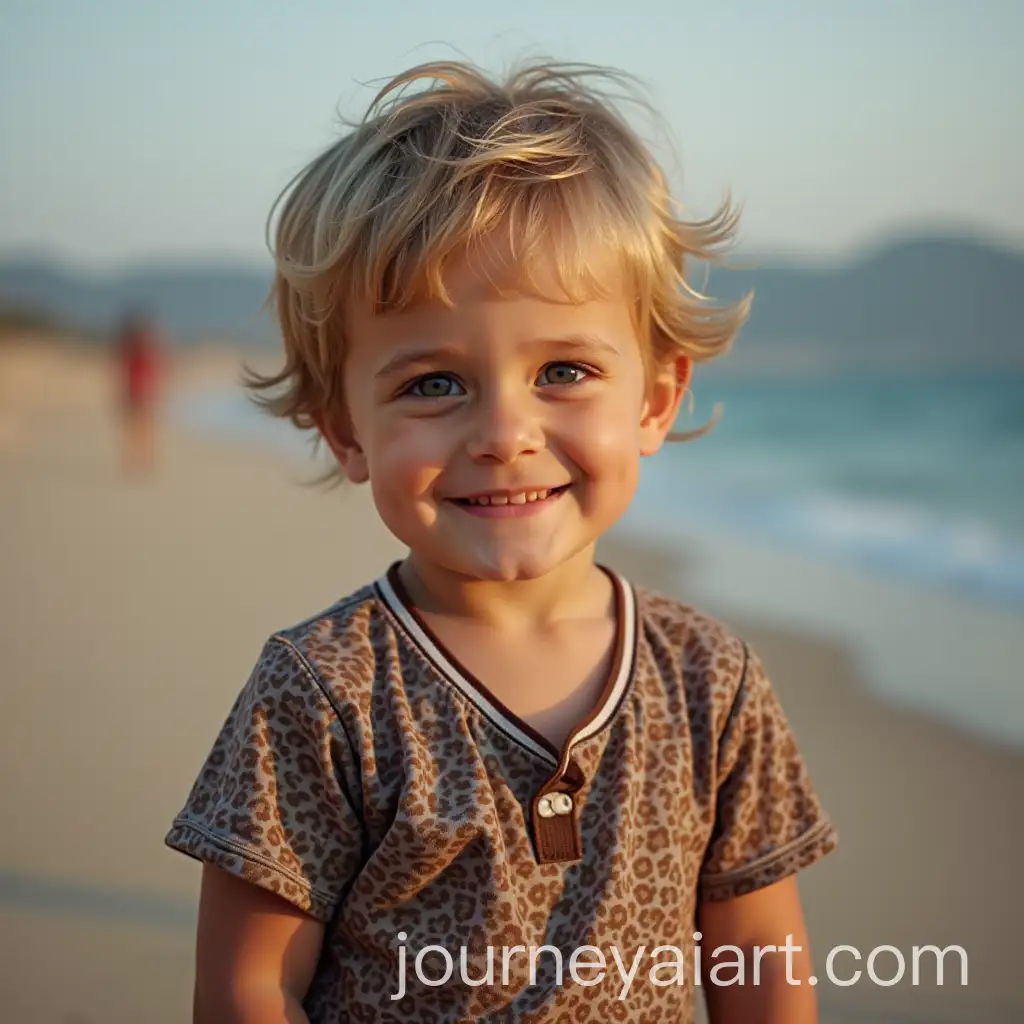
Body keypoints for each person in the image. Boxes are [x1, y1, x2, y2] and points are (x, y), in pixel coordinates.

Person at [165, 58, 837, 1023]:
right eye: (433, 384)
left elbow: (763, 966)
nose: (504, 433)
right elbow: (248, 985)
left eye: (563, 369)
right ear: (345, 429)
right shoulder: (325, 691)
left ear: (655, 397)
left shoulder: (709, 683)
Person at [116, 310, 164, 475]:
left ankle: (140, 460)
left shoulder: (133, 348)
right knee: (142, 428)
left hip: (139, 392)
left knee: (139, 428)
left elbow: (127, 372)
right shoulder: (143, 349)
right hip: (140, 392)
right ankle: (142, 460)